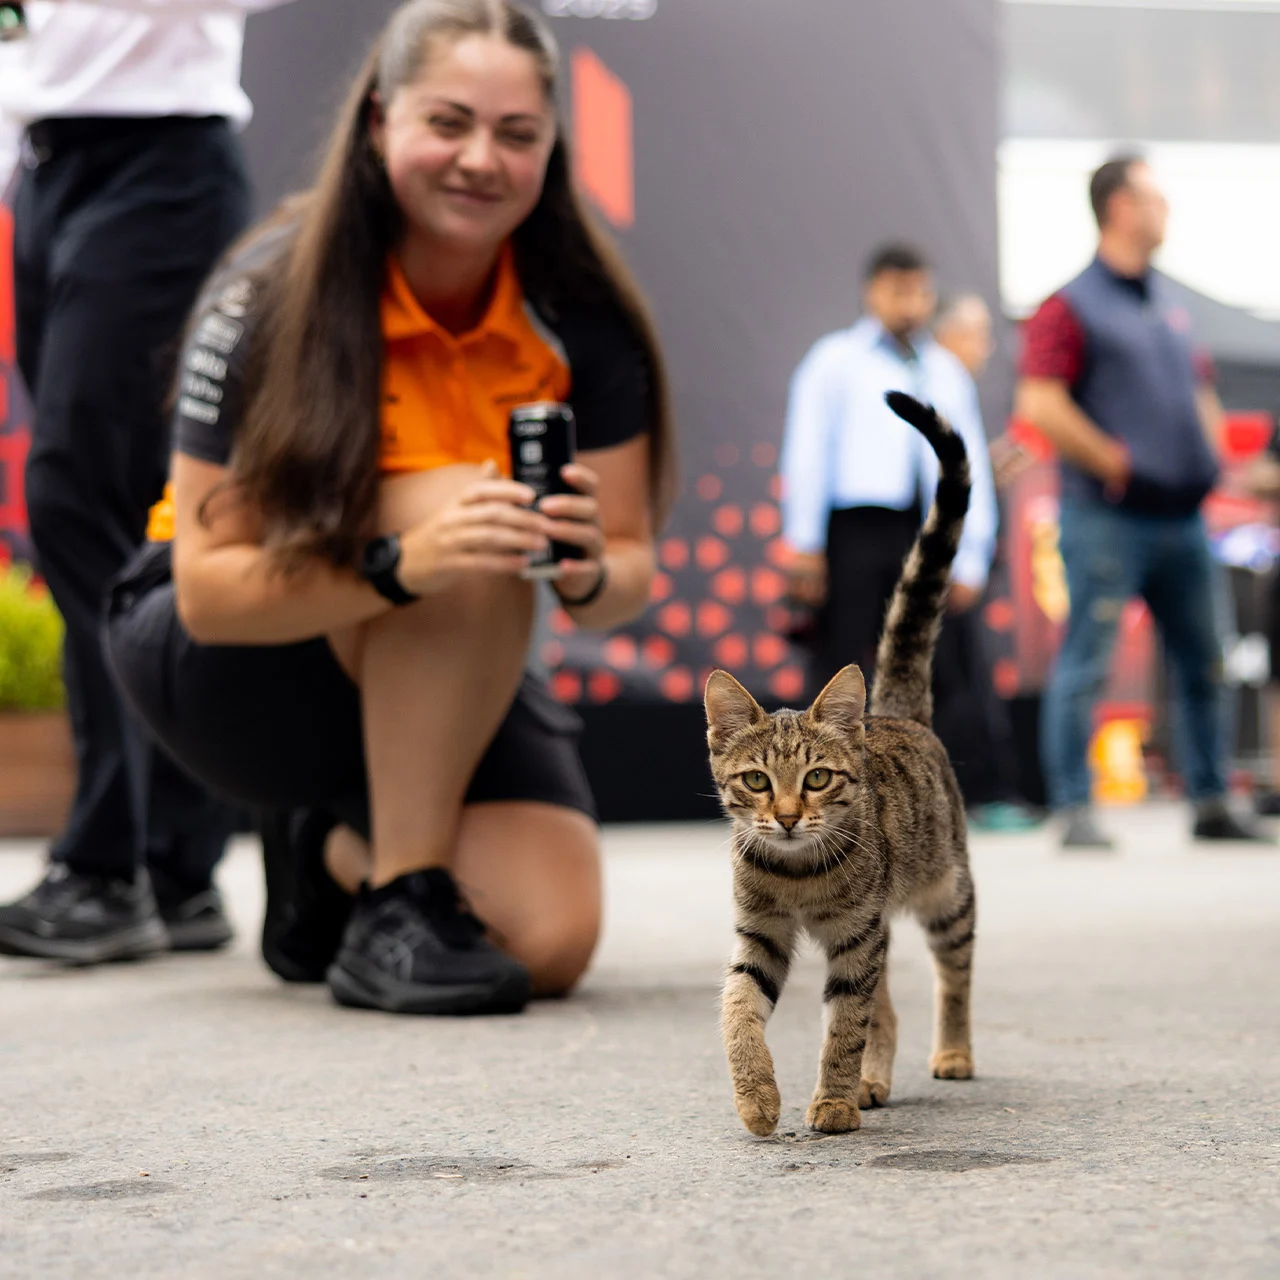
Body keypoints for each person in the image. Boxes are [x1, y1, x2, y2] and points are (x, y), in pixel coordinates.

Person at [102, 0, 674, 1017]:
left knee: (542, 935)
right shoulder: (266, 292)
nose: (479, 160)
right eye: (446, 122)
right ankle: (403, 891)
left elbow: (621, 571)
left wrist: (586, 568)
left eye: (516, 134)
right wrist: (394, 564)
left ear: (550, 145)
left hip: (436, 646)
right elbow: (206, 595)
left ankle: (325, 856)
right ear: (378, 122)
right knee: (475, 505)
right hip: (228, 656)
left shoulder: (580, 317)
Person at [0, 0, 295, 964]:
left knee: (79, 490)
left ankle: (108, 863)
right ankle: (171, 864)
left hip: (163, 161)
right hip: (43, 166)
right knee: (129, 513)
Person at [1015, 155, 1269, 850]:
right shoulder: (1068, 305)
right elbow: (1040, 401)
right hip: (1107, 515)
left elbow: (1200, 392)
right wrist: (1115, 460)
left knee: (1206, 661)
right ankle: (1073, 807)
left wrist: (1211, 455)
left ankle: (1212, 799)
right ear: (1120, 206)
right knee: (1086, 659)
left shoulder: (1170, 306)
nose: (1167, 210)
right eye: (1155, 197)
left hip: (1182, 518)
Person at [779, 244, 999, 779]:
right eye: (898, 290)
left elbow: (968, 465)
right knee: (841, 660)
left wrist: (970, 556)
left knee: (935, 661)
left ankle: (939, 788)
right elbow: (808, 451)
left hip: (923, 527)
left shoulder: (945, 370)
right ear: (872, 291)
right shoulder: (835, 360)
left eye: (920, 291)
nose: (910, 303)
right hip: (853, 526)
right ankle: (819, 782)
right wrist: (804, 541)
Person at [931, 292, 1042, 832]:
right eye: (976, 332)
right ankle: (978, 794)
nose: (986, 347)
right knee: (956, 681)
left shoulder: (947, 381)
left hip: (946, 553)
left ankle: (975, 794)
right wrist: (965, 559)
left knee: (960, 678)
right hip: (947, 558)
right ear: (947, 333)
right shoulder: (941, 377)